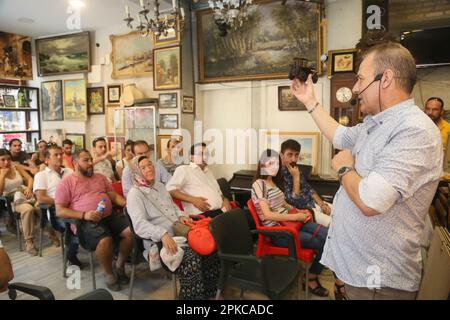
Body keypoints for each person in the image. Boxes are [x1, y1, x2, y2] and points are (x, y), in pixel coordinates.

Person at [291, 41, 442, 300]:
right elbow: (339, 136)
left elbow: (371, 202)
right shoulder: (377, 123)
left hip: (377, 280)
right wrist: (310, 101)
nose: (355, 88)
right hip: (359, 272)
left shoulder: (413, 130)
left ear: (386, 79)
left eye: (361, 79)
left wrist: (344, 169)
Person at [251, 149, 347, 299]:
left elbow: (284, 205)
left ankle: (318, 278)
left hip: (291, 223)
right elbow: (267, 214)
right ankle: (326, 281)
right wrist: (296, 217)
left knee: (332, 237)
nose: (275, 166)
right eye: (271, 163)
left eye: (277, 163)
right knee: (327, 243)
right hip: (281, 232)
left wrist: (300, 212)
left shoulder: (273, 182)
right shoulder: (259, 184)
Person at [126, 156, 220, 299]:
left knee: (210, 248)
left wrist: (182, 215)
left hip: (179, 231)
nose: (149, 168)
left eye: (150, 164)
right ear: (136, 173)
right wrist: (162, 234)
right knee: (192, 257)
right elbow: (139, 225)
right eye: (143, 167)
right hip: (158, 242)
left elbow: (174, 208)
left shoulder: (160, 186)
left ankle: (211, 293)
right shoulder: (135, 194)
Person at [55, 149, 133, 291]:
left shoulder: (100, 177)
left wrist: (128, 204)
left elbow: (114, 196)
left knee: (131, 231)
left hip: (109, 216)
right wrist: (84, 215)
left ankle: (119, 265)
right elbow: (59, 210)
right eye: (86, 160)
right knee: (105, 240)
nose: (90, 163)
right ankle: (109, 274)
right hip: (84, 221)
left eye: (91, 159)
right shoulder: (66, 183)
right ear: (75, 163)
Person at [0, 149, 58, 255]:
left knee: (41, 207)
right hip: (13, 200)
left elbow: (30, 179)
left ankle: (51, 233)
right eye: (2, 160)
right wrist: (2, 175)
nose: (6, 162)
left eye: (8, 159)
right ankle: (29, 242)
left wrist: (29, 188)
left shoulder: (15, 167)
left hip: (26, 194)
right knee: (28, 209)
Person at [33, 145, 83, 268]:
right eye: (56, 155)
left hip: (75, 205)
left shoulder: (69, 172)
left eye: (61, 154)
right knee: (75, 223)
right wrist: (61, 201)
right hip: (56, 210)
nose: (60, 157)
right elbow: (41, 198)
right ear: (46, 159)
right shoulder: (41, 175)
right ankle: (71, 255)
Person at [166, 143, 232, 218]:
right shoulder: (184, 170)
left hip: (221, 211)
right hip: (203, 216)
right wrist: (193, 200)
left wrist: (225, 200)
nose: (205, 157)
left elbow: (219, 193)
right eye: (200, 154)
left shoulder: (209, 172)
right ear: (191, 158)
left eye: (206, 154)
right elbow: (169, 190)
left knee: (244, 217)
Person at [280, 139, 332, 227]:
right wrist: (296, 178)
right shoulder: (278, 175)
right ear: (281, 155)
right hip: (304, 210)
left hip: (313, 203)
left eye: (296, 155)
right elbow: (293, 202)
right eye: (290, 155)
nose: (294, 159)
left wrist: (322, 204)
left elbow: (308, 188)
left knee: (341, 212)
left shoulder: (296, 169)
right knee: (333, 224)